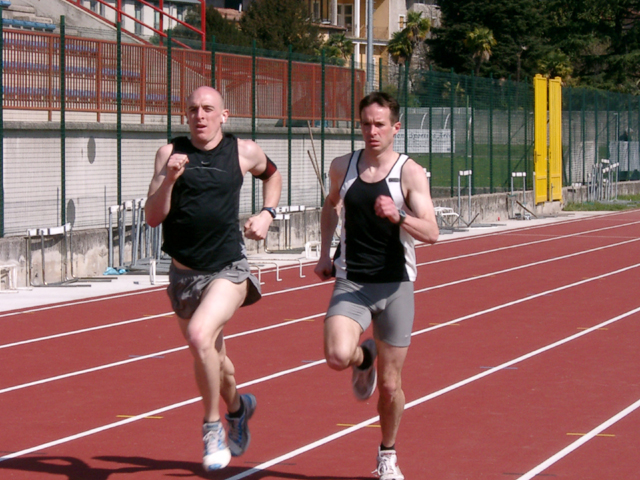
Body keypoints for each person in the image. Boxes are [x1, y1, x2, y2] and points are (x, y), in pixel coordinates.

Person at [145, 86, 282, 471]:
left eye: (208, 109)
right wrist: (169, 180)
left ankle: (211, 428)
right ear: (185, 116)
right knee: (216, 362)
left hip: (228, 269)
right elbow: (153, 217)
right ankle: (238, 407)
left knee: (199, 337)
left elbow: (273, 175)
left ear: (224, 115)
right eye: (193, 110)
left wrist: (268, 213)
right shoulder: (169, 153)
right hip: (184, 275)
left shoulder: (244, 151)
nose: (200, 116)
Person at [314, 91, 439, 480]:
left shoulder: (410, 173)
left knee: (389, 386)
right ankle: (363, 358)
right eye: (366, 123)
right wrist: (323, 254)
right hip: (353, 281)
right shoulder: (342, 166)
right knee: (337, 355)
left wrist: (398, 215)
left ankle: (387, 453)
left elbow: (432, 232)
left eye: (380, 124)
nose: (372, 131)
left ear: (395, 128)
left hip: (396, 286)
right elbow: (331, 207)